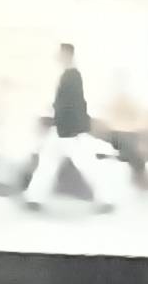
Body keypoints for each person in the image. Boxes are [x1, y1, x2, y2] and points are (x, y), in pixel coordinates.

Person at [23, 42, 124, 210]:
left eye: (60, 54)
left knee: (85, 165)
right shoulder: (69, 75)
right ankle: (34, 198)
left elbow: (75, 105)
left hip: (69, 131)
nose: (57, 57)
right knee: (48, 163)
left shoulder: (72, 76)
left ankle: (106, 200)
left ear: (67, 55)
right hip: (63, 130)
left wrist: (72, 126)